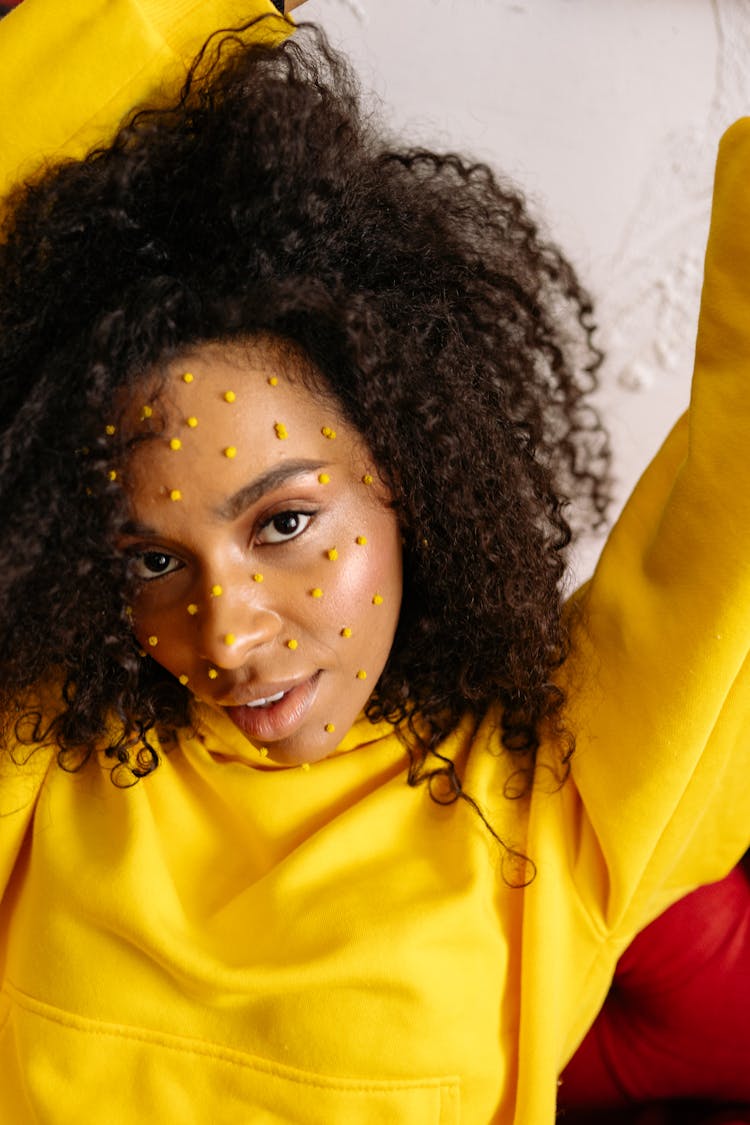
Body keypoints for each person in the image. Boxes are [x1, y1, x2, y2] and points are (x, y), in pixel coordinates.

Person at [0, 2, 747, 1122]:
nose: (226, 636)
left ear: (406, 466)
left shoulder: (564, 798)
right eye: (152, 560)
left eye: (284, 524)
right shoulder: (42, 748)